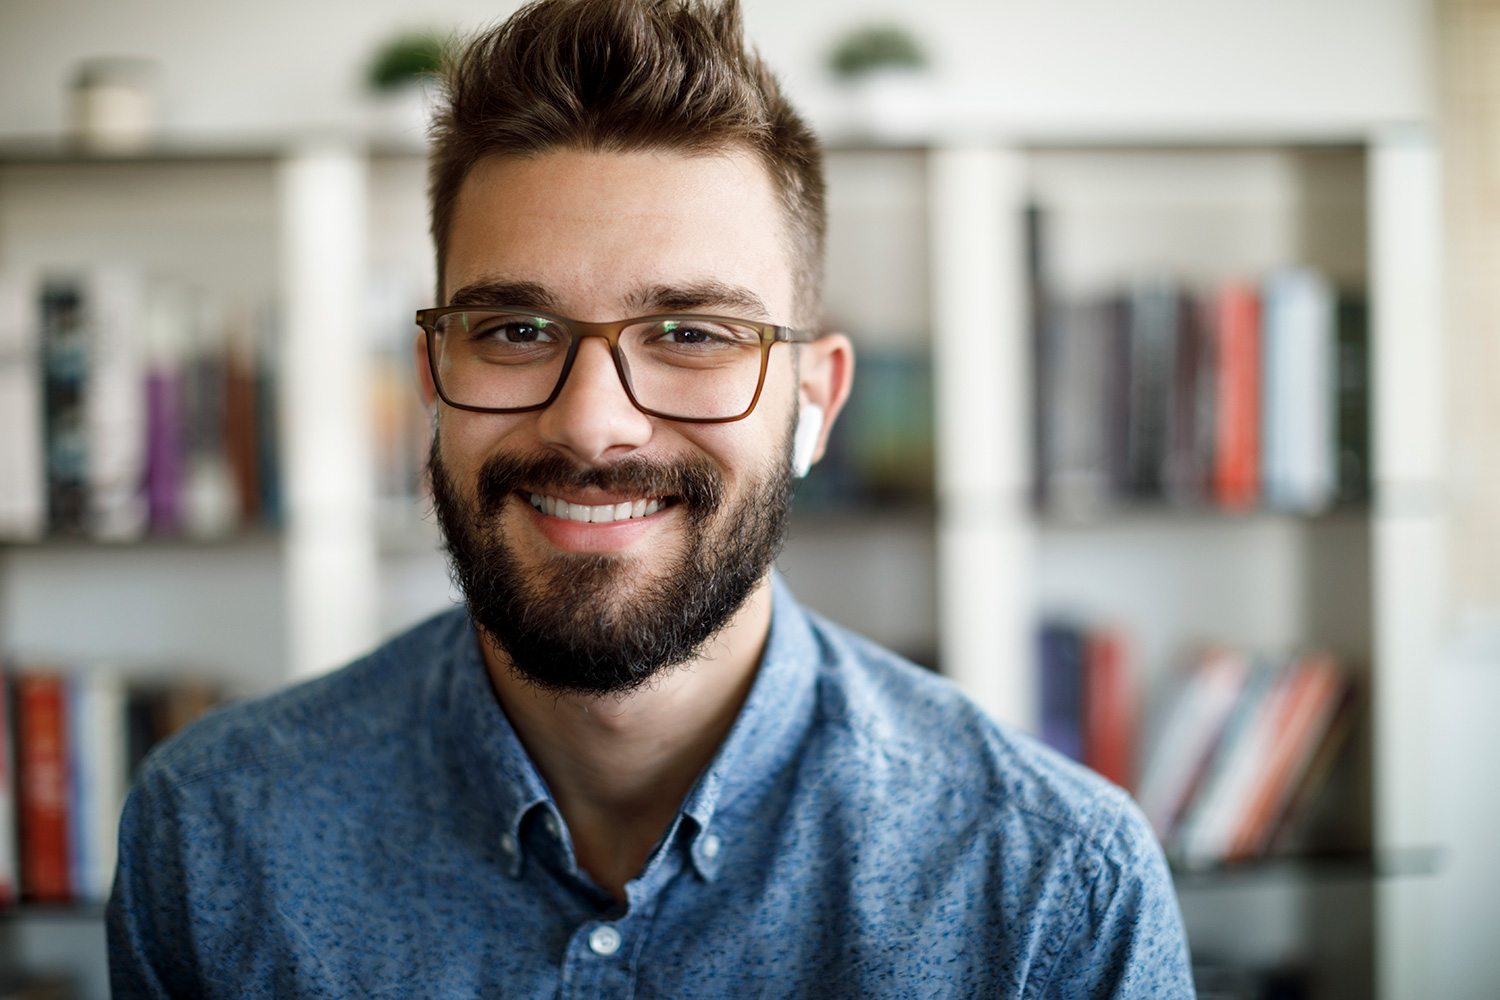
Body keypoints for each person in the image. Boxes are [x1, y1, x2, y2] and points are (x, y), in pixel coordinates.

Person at [107, 0, 1194, 996]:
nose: (591, 424)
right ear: (432, 372)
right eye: (515, 331)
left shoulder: (1054, 887)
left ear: (814, 400)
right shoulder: (214, 836)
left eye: (692, 334)